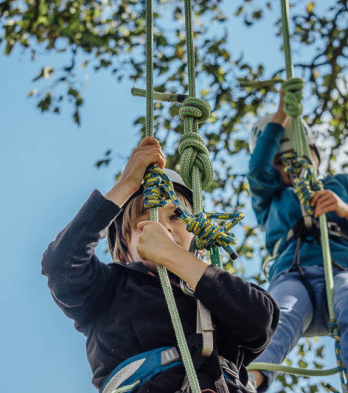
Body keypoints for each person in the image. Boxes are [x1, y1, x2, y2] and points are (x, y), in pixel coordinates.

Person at [41, 137, 279, 393]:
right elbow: (61, 263)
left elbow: (261, 321)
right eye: (145, 218)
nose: (163, 226)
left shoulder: (216, 293)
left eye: (176, 216)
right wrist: (127, 185)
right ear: (123, 250)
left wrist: (175, 257)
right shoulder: (108, 288)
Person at [246, 90, 348, 393]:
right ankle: (249, 381)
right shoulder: (269, 199)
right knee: (279, 314)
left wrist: (345, 210)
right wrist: (281, 115)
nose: (290, 168)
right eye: (280, 163)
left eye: (296, 158)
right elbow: (258, 170)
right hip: (292, 272)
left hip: (341, 267)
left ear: (314, 153)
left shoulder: (343, 185)